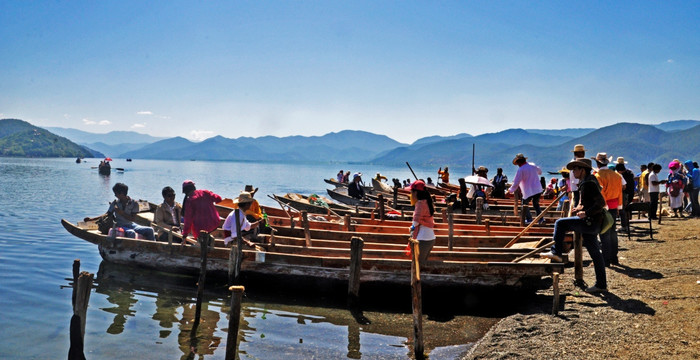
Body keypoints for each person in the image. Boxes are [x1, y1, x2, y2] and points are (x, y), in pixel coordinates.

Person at [541, 158, 607, 293]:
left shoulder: (588, 183)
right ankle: (601, 284)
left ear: (582, 170)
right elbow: (590, 201)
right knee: (595, 254)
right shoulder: (588, 181)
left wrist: (586, 213)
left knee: (560, 224)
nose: (573, 171)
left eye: (575, 168)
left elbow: (601, 203)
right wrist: (580, 208)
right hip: (593, 223)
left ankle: (556, 252)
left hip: (590, 222)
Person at [593, 153, 623, 266]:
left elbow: (601, 193)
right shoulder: (616, 176)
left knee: (604, 232)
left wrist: (604, 206)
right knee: (613, 232)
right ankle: (614, 257)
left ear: (597, 163)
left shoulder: (598, 176)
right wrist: (619, 206)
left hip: (604, 207)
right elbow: (620, 192)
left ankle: (606, 260)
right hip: (615, 206)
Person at [508, 153, 544, 224]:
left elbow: (516, 182)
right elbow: (540, 172)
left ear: (519, 162)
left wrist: (510, 190)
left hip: (528, 191)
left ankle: (529, 219)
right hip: (537, 189)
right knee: (536, 204)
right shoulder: (532, 165)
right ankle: (541, 219)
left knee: (524, 204)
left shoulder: (521, 170)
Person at [408, 180, 435, 266]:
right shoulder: (427, 201)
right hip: (430, 238)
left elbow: (415, 222)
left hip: (423, 239)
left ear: (416, 193)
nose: (410, 194)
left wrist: (412, 228)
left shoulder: (420, 203)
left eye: (411, 192)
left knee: (417, 265)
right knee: (422, 264)